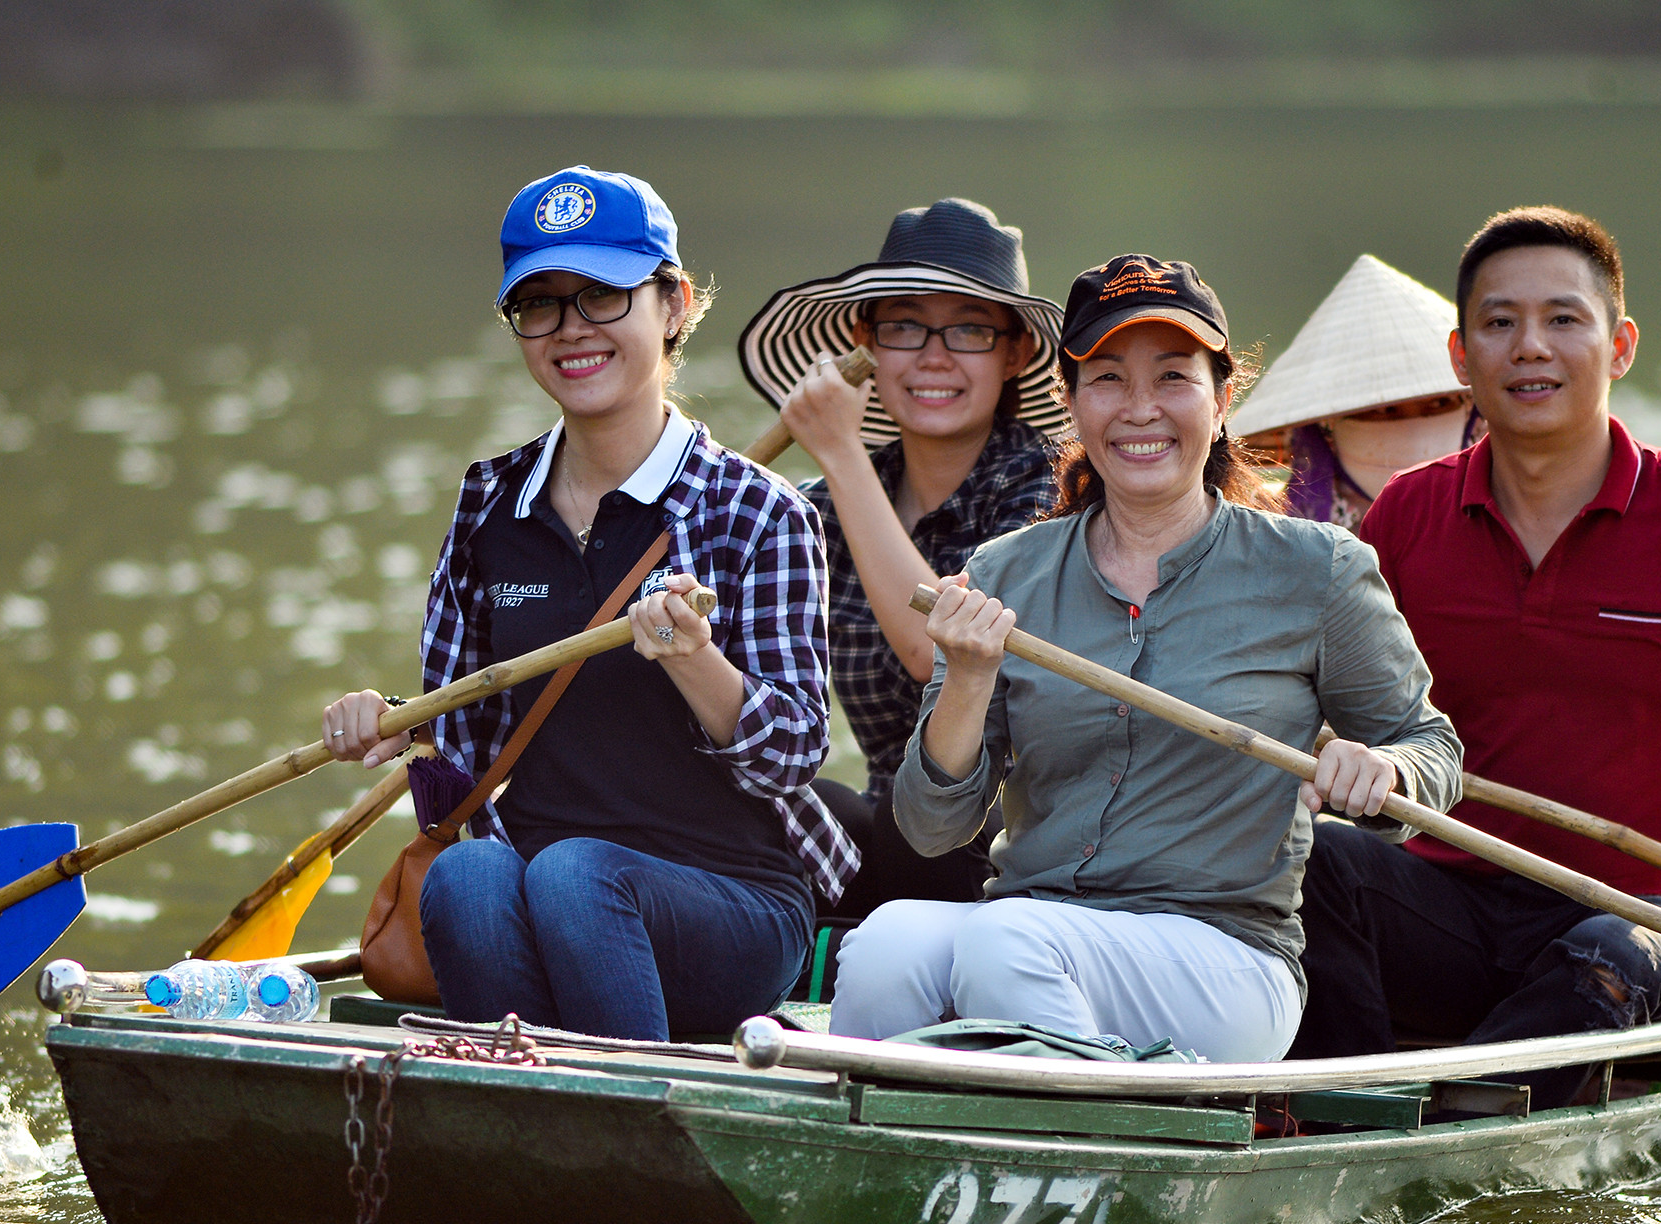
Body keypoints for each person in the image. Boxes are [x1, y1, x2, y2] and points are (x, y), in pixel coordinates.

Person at [1293, 207, 1661, 1104]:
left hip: (1648, 922)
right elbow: (1335, 702)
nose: (1530, 347)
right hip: (1451, 904)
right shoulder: (1405, 516)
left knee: (1602, 954)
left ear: (1621, 345)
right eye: (1499, 323)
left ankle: (1461, 1116)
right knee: (1318, 859)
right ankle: (1350, 1112)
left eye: (1564, 319)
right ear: (1460, 355)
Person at [829, 255, 1463, 1062]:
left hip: (1228, 957)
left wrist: (1387, 773)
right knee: (888, 940)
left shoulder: (1318, 570)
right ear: (1069, 401)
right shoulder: (1003, 572)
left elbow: (1432, 749)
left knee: (1008, 941)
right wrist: (970, 679)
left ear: (1221, 397)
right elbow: (928, 829)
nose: (1139, 410)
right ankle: (893, 1166)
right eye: (1106, 380)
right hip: (1034, 918)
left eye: (1172, 376)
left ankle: (1083, 1158)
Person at [321, 166, 855, 1038]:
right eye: (541, 304)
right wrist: (396, 726)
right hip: (540, 888)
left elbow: (792, 756)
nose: (571, 331)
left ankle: (633, 1129)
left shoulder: (760, 512)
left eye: (603, 296)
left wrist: (694, 659)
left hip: (735, 903)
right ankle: (530, 1123)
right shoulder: (489, 502)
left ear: (674, 304)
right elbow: (459, 767)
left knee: (576, 875)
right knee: (463, 877)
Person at [739, 198, 1066, 917]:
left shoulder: (1047, 486)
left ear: (1014, 352)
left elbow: (938, 649)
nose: (933, 355)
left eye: (970, 329)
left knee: (924, 834)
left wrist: (840, 451)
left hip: (1006, 833)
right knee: (748, 794)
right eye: (905, 326)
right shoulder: (821, 504)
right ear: (867, 344)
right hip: (885, 825)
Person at [1230, 254, 1482, 532]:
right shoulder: (1264, 532)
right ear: (1329, 430)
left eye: (1439, 403)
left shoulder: (1504, 518)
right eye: (1385, 410)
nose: (1413, 429)